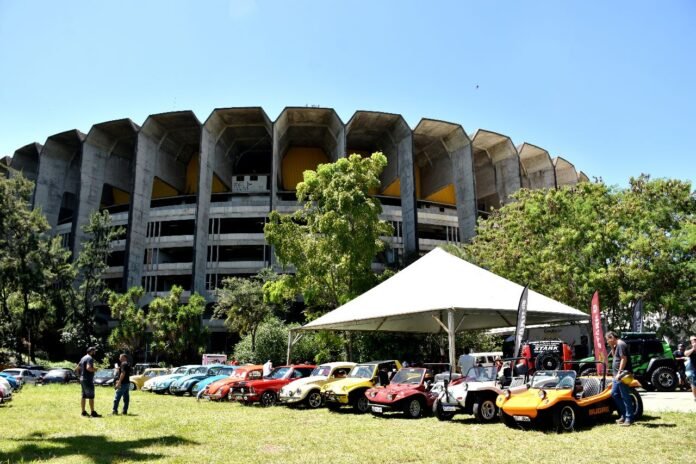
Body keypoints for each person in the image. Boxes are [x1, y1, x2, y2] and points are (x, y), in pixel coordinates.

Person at [606, 331, 633, 426]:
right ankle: (624, 415)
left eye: (608, 340)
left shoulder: (621, 344)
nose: (607, 342)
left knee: (625, 396)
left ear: (612, 337)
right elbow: (615, 358)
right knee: (614, 394)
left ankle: (629, 418)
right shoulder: (617, 345)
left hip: (622, 375)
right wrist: (611, 348)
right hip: (617, 376)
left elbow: (623, 359)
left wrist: (619, 372)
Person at [76, 346, 101, 418]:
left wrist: (79, 377)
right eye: (94, 351)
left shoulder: (83, 358)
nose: (95, 352)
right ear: (92, 351)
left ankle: (83, 412)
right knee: (91, 396)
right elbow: (88, 368)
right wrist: (95, 369)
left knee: (83, 396)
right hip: (88, 380)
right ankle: (93, 413)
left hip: (82, 379)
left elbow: (77, 368)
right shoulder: (90, 358)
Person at [684, 335, 696, 403]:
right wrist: (693, 349)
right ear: (691, 341)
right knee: (694, 382)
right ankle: (695, 397)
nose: (694, 341)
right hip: (693, 368)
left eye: (695, 339)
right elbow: (686, 354)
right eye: (693, 340)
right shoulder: (689, 347)